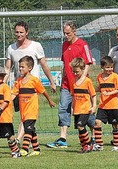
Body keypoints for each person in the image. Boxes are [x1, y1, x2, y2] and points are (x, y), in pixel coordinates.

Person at [46, 21, 93, 149]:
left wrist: (82, 78)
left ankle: (94, 135)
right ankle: (63, 138)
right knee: (63, 108)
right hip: (66, 85)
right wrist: (62, 80)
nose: (66, 36)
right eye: (65, 33)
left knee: (84, 112)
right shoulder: (64, 45)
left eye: (68, 33)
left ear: (74, 31)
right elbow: (65, 64)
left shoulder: (83, 45)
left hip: (80, 86)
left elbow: (88, 63)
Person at [13, 56, 56, 157]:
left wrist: (50, 100)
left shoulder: (34, 80)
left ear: (30, 68)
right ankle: (36, 149)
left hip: (32, 110)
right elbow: (13, 94)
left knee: (28, 129)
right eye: (19, 67)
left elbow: (43, 91)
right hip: (23, 111)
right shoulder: (18, 81)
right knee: (31, 129)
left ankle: (24, 149)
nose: (20, 69)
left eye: (22, 67)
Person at [94, 56, 118, 152]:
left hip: (113, 105)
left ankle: (117, 145)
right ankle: (99, 144)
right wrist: (92, 90)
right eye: (107, 67)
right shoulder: (99, 77)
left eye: (111, 67)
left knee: (115, 125)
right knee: (97, 122)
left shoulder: (115, 76)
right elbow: (100, 88)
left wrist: (108, 93)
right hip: (102, 105)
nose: (110, 69)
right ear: (102, 67)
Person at [69, 58, 97, 153]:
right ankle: (84, 146)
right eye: (73, 71)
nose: (75, 73)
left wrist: (94, 106)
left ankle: (89, 144)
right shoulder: (73, 81)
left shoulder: (87, 81)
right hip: (77, 109)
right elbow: (73, 96)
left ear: (83, 69)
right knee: (79, 129)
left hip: (85, 109)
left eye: (77, 71)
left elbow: (93, 95)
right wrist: (72, 108)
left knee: (81, 126)